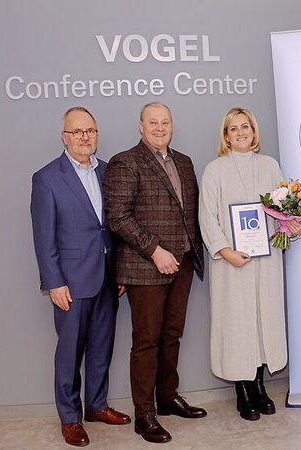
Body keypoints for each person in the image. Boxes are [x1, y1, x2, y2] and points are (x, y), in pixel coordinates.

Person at [103, 102, 207, 444]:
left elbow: (188, 212)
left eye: (165, 122)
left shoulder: (184, 162)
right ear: (141, 126)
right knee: (146, 342)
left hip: (183, 264)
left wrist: (191, 253)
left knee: (172, 335)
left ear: (172, 126)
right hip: (146, 265)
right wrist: (155, 250)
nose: (159, 128)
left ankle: (167, 398)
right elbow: (117, 216)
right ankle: (144, 414)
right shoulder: (125, 162)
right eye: (153, 122)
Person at [30, 107, 131, 447]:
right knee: (70, 352)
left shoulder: (108, 172)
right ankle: (70, 418)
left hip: (106, 277)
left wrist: (119, 271)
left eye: (90, 130)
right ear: (65, 137)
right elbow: (44, 238)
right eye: (77, 132)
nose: (85, 136)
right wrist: (54, 282)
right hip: (71, 283)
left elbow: (113, 226)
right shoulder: (46, 178)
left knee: (103, 346)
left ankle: (97, 405)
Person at [198, 107, 301, 421]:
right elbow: (208, 217)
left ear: (254, 131)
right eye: (234, 128)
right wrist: (225, 251)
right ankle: (242, 390)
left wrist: (293, 227)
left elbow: (283, 210)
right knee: (237, 324)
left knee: (262, 322)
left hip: (266, 260)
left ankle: (259, 385)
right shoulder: (215, 170)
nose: (241, 132)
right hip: (231, 263)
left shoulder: (270, 166)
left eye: (246, 126)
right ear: (226, 136)